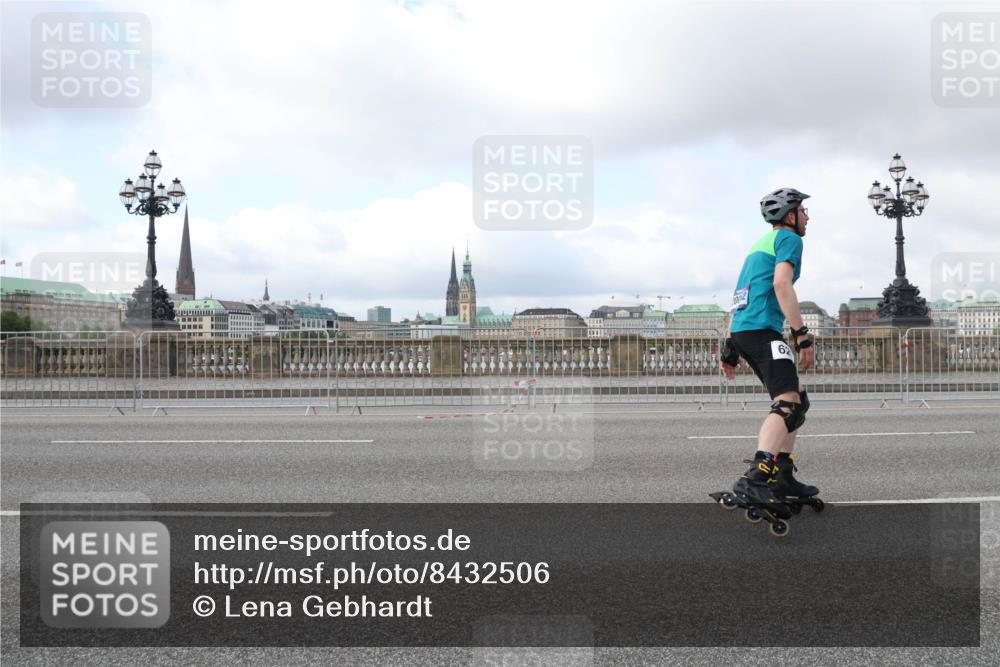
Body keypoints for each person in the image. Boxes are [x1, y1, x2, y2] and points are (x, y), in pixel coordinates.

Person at [720, 188, 819, 519]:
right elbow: (781, 285)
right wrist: (802, 335)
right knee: (787, 402)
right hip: (762, 329)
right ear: (789, 216)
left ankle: (783, 475)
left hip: (746, 328)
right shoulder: (789, 239)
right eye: (803, 210)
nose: (807, 216)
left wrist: (730, 345)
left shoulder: (759, 244)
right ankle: (758, 476)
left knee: (796, 398)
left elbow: (741, 293)